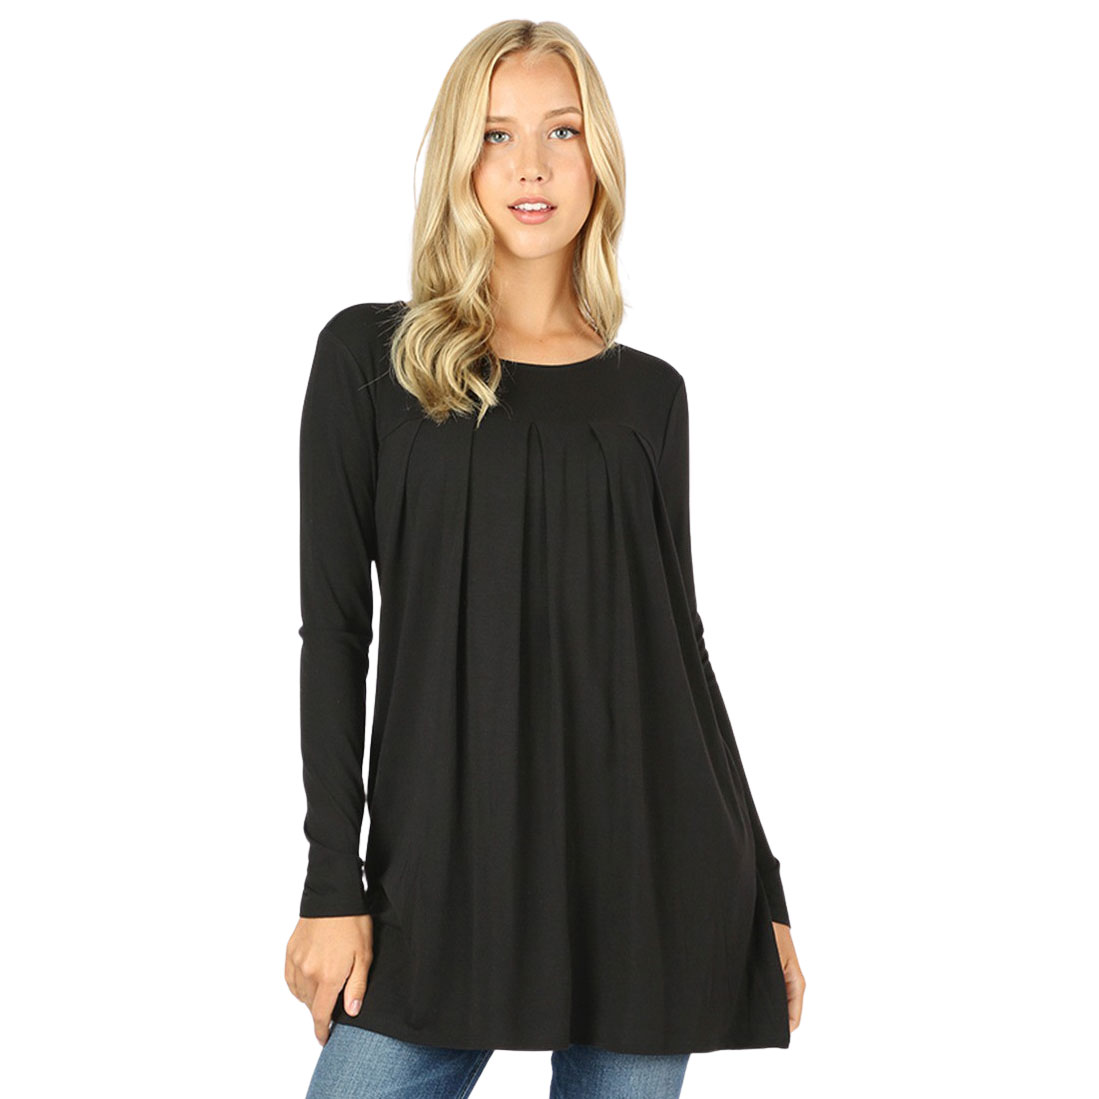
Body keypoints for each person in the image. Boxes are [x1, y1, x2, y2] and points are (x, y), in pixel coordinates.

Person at [285, 18, 806, 1098]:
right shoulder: (370, 362)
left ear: (597, 158)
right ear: (458, 160)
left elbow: (680, 649)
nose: (530, 164)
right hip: (440, 884)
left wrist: (764, 889)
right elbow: (336, 631)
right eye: (496, 133)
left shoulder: (650, 397)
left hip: (646, 882)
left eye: (561, 131)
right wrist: (334, 882)